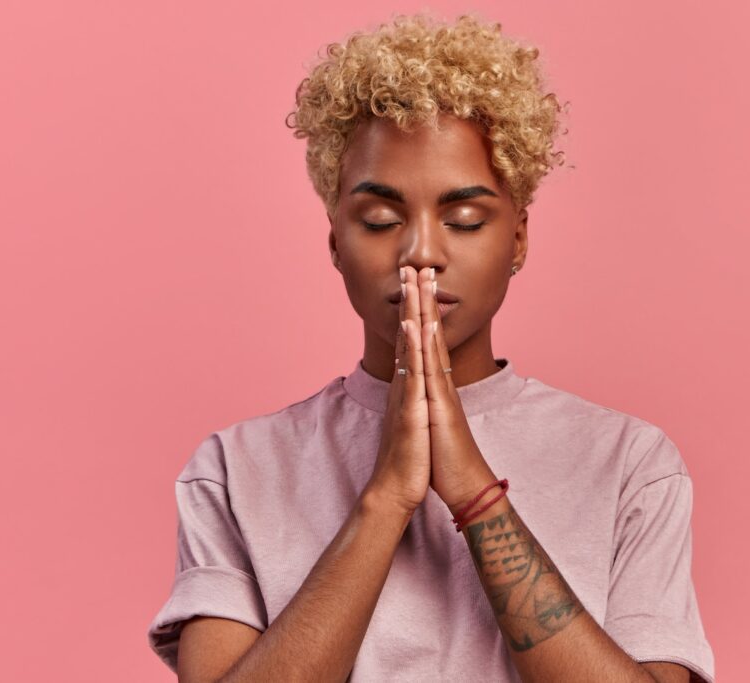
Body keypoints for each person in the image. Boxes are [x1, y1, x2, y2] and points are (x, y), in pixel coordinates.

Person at [147, 12, 715, 683]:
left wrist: (475, 493)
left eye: (464, 218)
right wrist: (386, 495)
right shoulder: (236, 469)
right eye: (381, 219)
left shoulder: (629, 464)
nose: (421, 252)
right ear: (335, 239)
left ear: (519, 239)